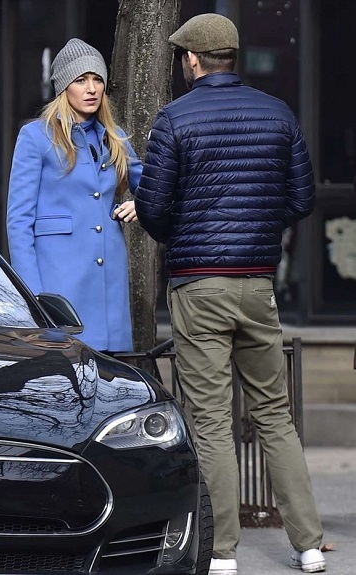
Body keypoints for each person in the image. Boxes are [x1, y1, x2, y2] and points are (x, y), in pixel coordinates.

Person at [134, 13, 325, 575]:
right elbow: (302, 198)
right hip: (258, 282)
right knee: (274, 414)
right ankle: (310, 545)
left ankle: (222, 554)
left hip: (198, 284)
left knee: (212, 420)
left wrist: (183, 238)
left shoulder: (175, 119)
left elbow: (152, 207)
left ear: (192, 59)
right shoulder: (277, 113)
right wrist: (260, 233)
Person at [7, 38, 142, 352]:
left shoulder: (115, 138)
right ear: (63, 87)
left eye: (97, 79)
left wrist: (142, 204)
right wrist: (35, 300)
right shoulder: (35, 137)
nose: (91, 88)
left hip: (109, 289)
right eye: (81, 80)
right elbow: (19, 223)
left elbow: (152, 187)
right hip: (60, 288)